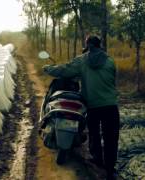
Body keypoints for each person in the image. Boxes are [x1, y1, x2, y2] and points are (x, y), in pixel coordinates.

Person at [43, 35, 120, 180]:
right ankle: (110, 170)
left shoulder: (82, 60)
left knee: (94, 133)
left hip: (92, 105)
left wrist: (48, 69)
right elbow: (111, 80)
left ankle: (97, 159)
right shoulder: (110, 61)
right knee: (111, 138)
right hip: (110, 105)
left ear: (87, 45)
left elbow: (64, 70)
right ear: (99, 46)